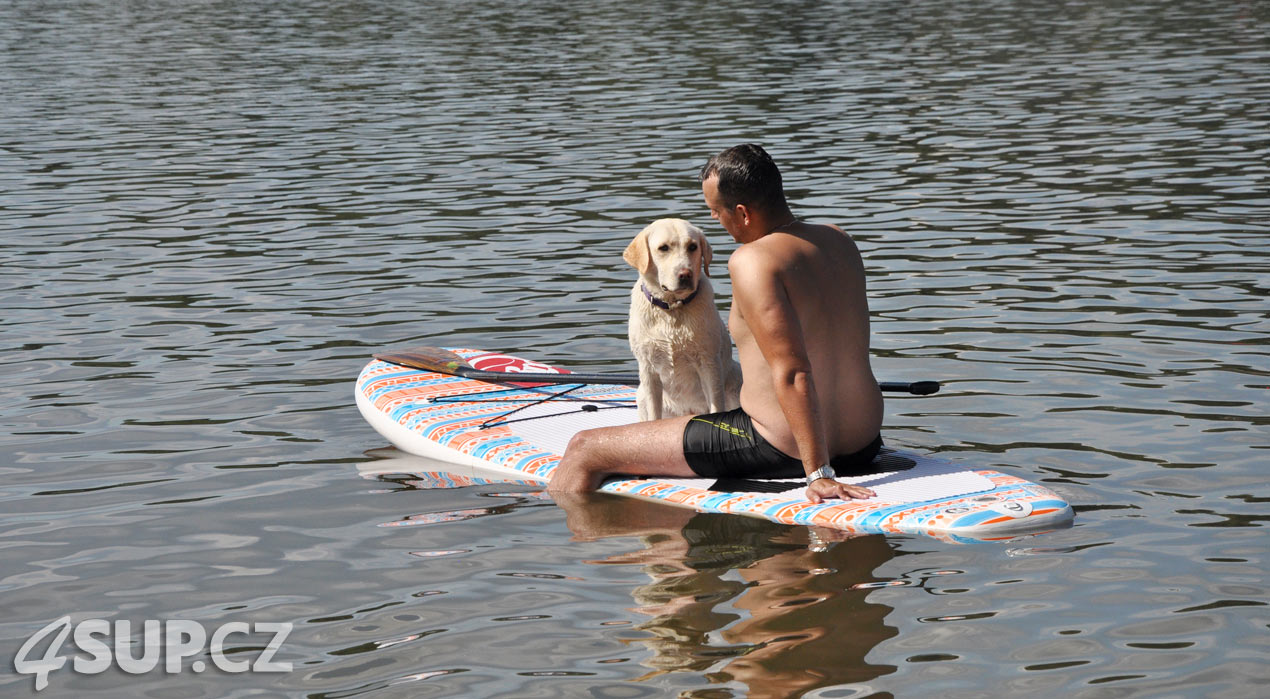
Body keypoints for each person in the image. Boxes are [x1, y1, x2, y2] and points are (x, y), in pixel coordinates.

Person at [548, 144, 883, 502]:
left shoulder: (752, 260)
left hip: (783, 446)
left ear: (742, 213)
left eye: (716, 211)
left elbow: (794, 371)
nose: (714, 220)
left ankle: (550, 537)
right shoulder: (840, 239)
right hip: (864, 441)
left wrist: (818, 473)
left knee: (585, 447)